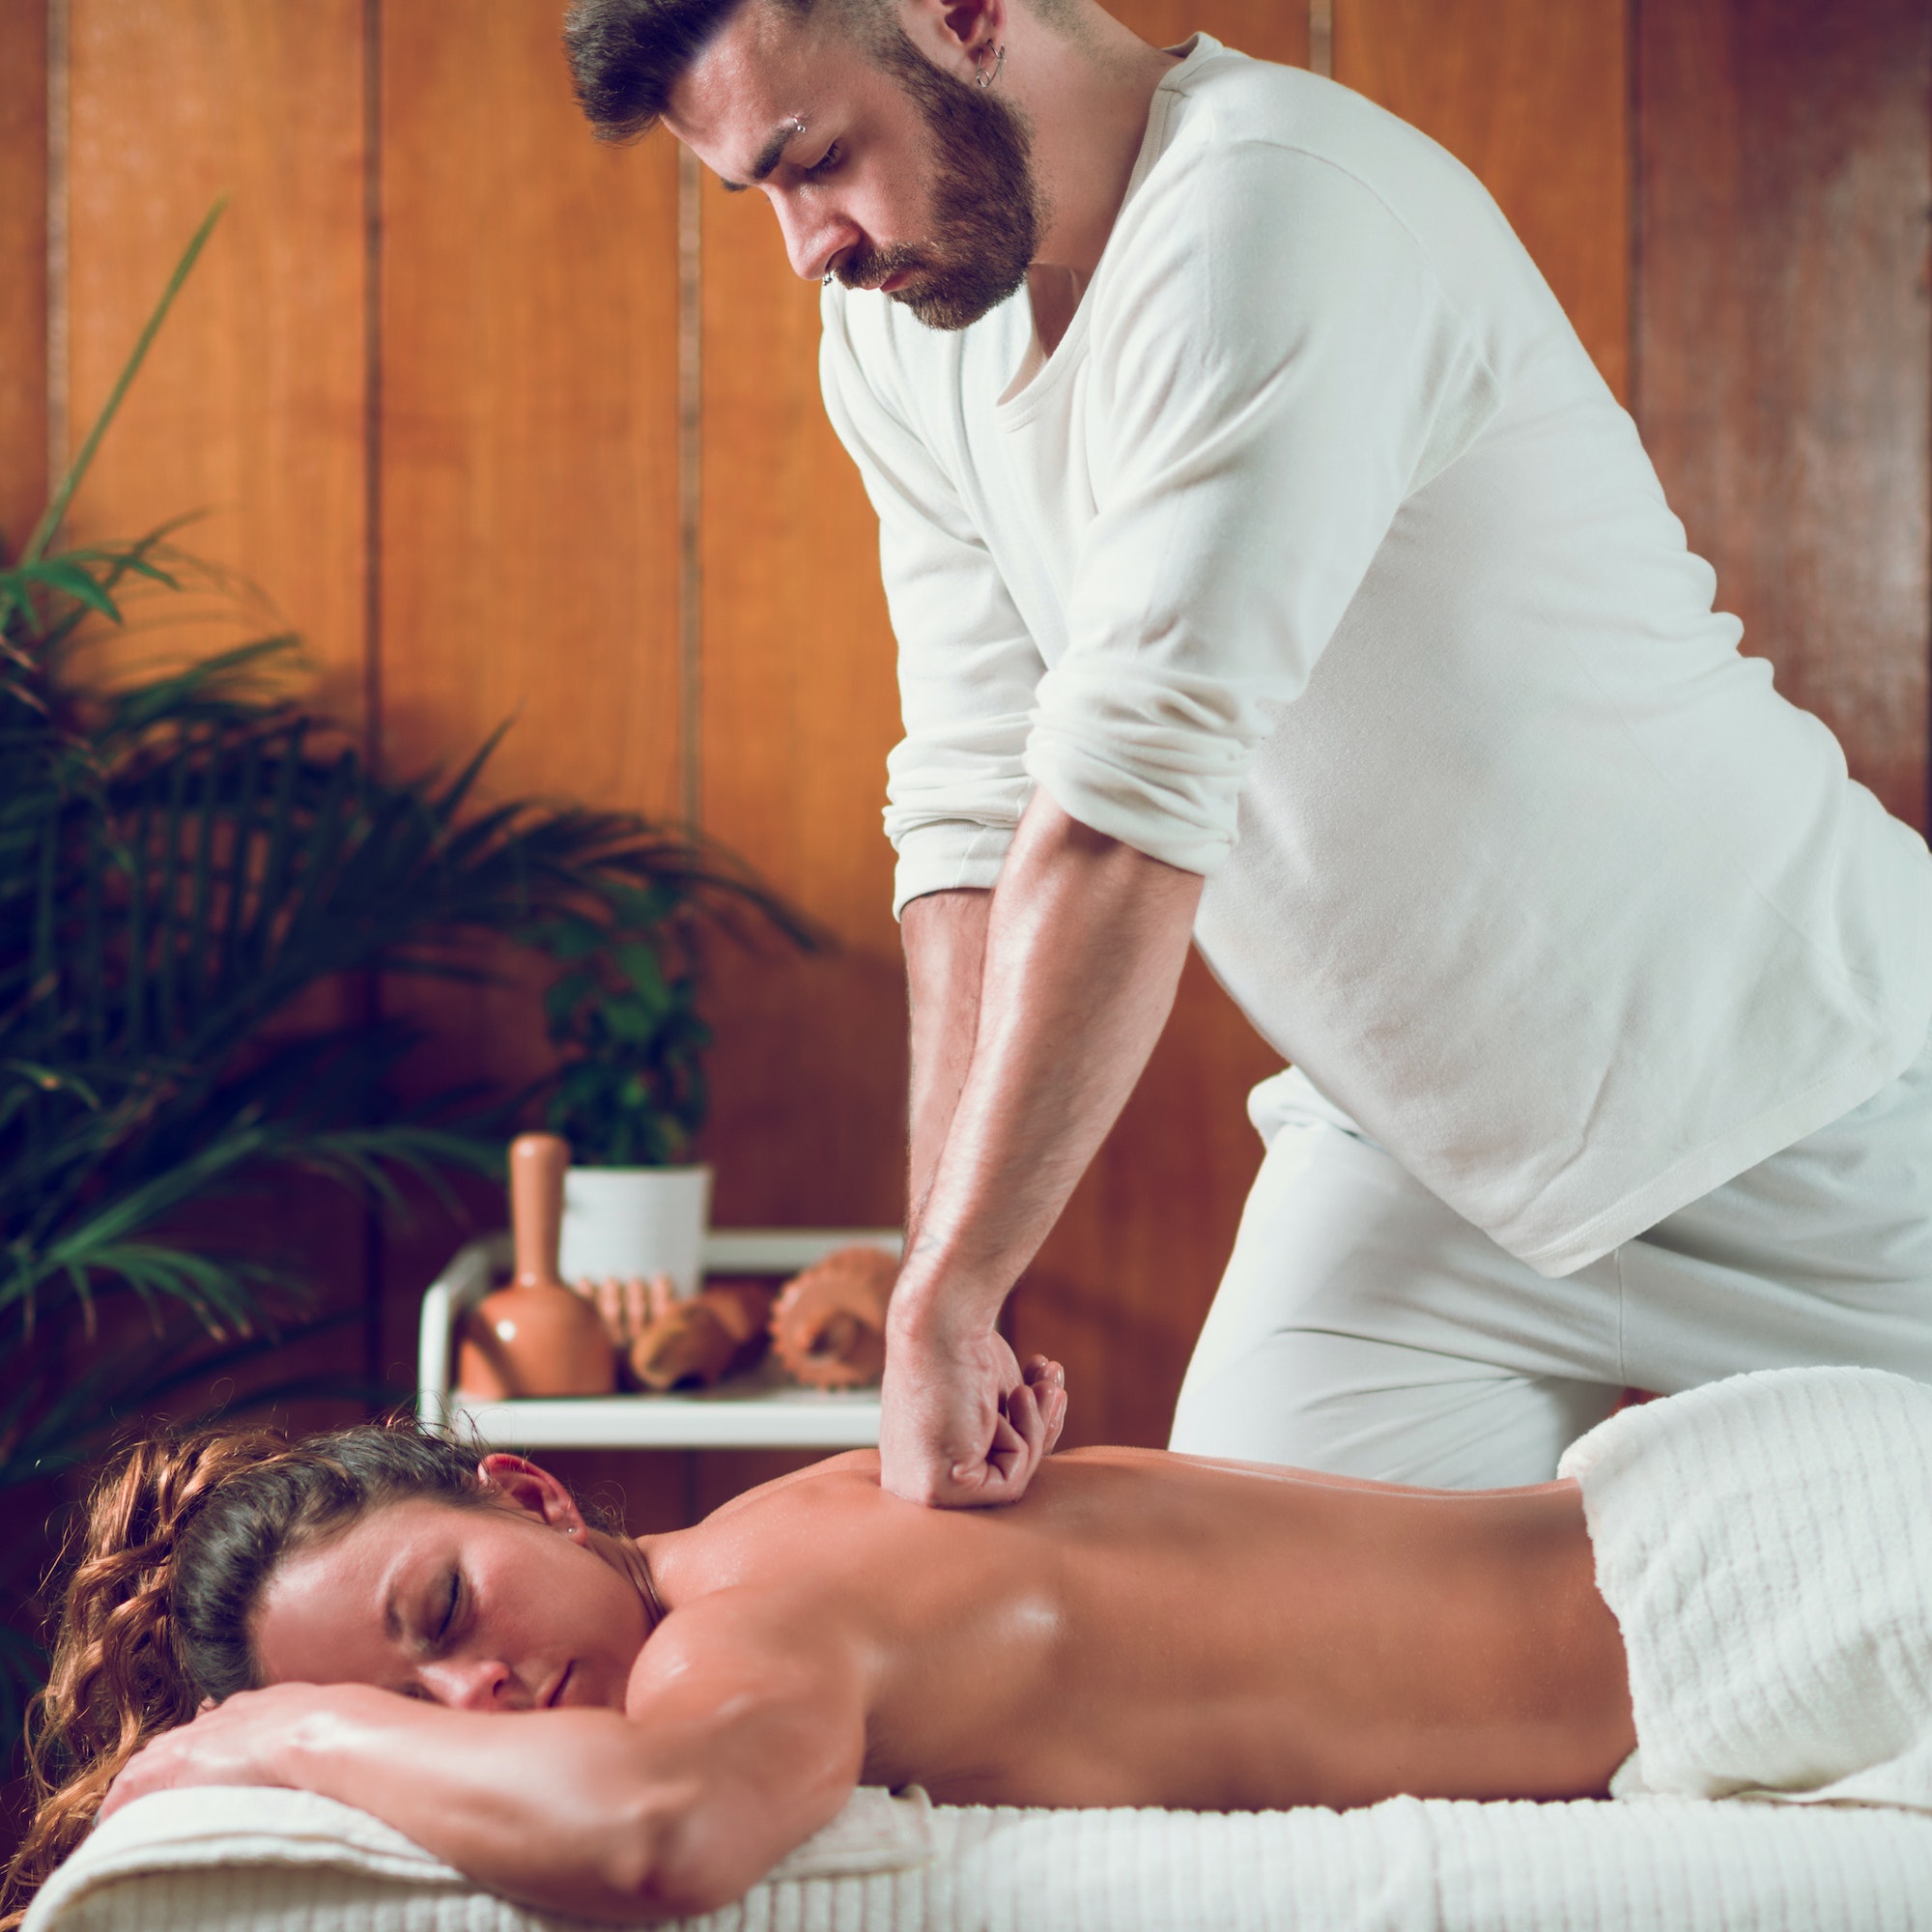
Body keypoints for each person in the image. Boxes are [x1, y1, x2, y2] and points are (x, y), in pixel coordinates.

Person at [558, 0, 1932, 1507]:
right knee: (1225, 1652)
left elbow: (1120, 814)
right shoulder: (901, 331)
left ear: (961, 13)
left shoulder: (1272, 212)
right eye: (756, 194)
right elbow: (971, 807)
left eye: (817, 159)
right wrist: (947, 1282)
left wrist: (942, 1296)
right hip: (1413, 1157)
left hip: (1796, 1096)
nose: (806, 247)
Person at [8, 1366, 1639, 1924]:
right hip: (1659, 1539)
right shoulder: (788, 1518)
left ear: (532, 1495)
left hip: (1727, 1608)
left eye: (443, 1614)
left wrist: (294, 1735)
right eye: (414, 1707)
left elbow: (664, 1832)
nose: (470, 1692)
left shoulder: (732, 1629)